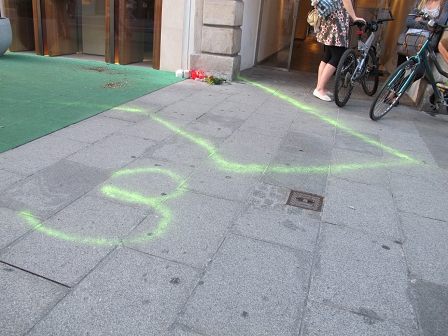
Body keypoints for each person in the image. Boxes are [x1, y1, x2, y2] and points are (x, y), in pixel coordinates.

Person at [313, 0, 365, 102]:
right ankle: (319, 89)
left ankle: (320, 87)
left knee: (327, 56)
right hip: (337, 23)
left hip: (330, 20)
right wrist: (354, 17)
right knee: (337, 56)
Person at [397, 0, 448, 68]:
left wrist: (420, 19)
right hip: (409, 38)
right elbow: (409, 21)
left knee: (417, 71)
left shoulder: (444, 3)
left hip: (427, 39)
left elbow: (439, 24)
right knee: (400, 68)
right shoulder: (420, 1)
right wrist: (428, 23)